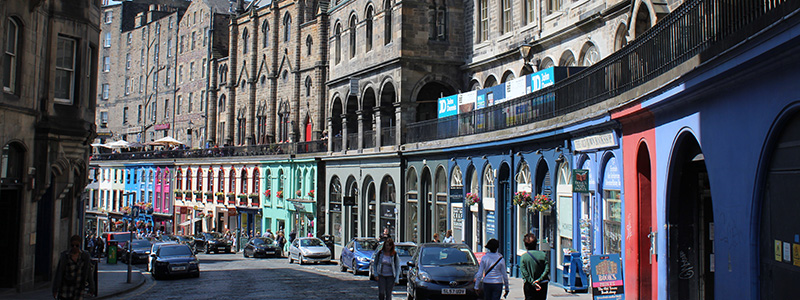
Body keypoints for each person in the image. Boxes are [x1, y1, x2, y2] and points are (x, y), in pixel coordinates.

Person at [53, 235, 95, 300]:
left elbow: (88, 272)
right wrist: (55, 289)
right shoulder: (65, 256)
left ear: (80, 245)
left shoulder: (84, 256)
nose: (74, 247)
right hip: (66, 288)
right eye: (72, 245)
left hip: (79, 288)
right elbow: (59, 272)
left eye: (77, 245)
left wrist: (91, 287)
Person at [520, 233, 549, 300]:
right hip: (542, 284)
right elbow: (547, 269)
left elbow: (524, 273)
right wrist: (539, 279)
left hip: (529, 285)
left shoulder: (524, 257)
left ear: (525, 245)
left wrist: (532, 282)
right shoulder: (543, 255)